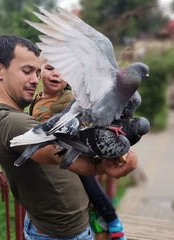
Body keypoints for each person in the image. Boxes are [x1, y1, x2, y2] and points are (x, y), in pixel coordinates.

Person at [0, 34, 137, 239]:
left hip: (62, 228)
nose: (35, 80)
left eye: (37, 72)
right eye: (27, 71)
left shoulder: (17, 114)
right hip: (61, 234)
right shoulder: (11, 122)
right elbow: (60, 154)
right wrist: (105, 166)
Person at [30, 57, 127, 240]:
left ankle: (113, 219)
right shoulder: (37, 100)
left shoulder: (68, 98)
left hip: (72, 151)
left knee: (90, 185)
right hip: (51, 155)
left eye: (63, 71)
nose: (56, 74)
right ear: (39, 71)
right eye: (50, 68)